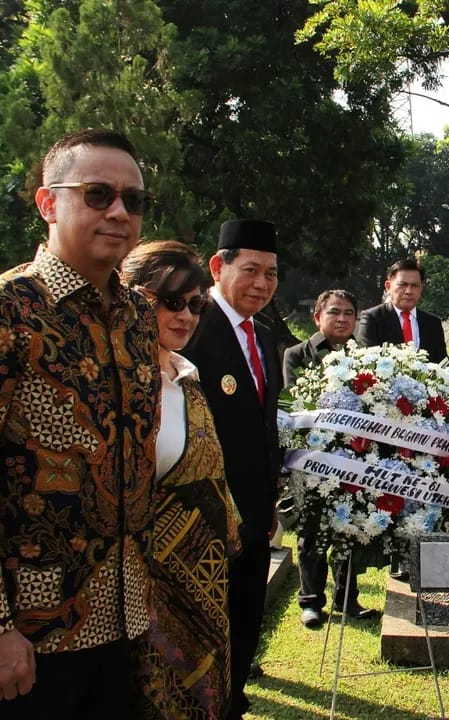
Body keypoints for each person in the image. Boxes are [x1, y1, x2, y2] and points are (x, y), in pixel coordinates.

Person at [0, 129, 158, 717]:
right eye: (98, 194)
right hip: (26, 638)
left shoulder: (140, 315)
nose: (119, 212)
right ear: (49, 204)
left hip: (125, 625)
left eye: (134, 200)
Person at [122, 241, 241, 719]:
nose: (186, 316)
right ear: (132, 296)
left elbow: (210, 470)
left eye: (195, 305)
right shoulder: (120, 381)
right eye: (170, 301)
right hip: (143, 587)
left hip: (205, 583)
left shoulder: (186, 376)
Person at [181, 219, 283, 720]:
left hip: (254, 515)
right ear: (218, 266)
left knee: (244, 624)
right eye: (250, 271)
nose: (262, 284)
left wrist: (268, 502)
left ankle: (232, 703)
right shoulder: (191, 328)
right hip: (200, 521)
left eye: (271, 274)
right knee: (204, 635)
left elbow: (263, 428)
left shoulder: (264, 337)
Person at [283, 290, 378, 626]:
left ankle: (347, 598)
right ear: (317, 317)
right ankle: (311, 601)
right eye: (334, 312)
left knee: (350, 528)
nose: (342, 319)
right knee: (312, 532)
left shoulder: (366, 357)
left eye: (349, 313)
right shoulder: (297, 355)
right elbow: (295, 404)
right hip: (312, 459)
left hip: (356, 459)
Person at [356, 258, 447, 363]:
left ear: (421, 288)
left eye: (415, 286)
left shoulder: (432, 323)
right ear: (388, 286)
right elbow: (367, 361)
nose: (408, 291)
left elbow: (442, 364)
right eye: (402, 285)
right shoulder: (373, 318)